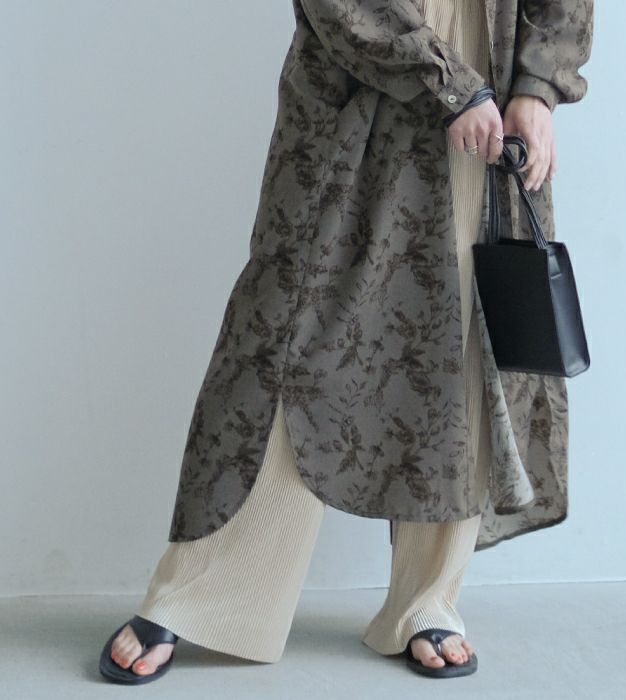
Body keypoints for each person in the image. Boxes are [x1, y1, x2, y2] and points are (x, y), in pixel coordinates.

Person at [98, 0, 593, 684]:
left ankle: (428, 601)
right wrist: (450, 83)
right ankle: (200, 597)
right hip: (357, 90)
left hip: (491, 75)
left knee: (462, 338)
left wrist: (537, 88)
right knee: (288, 340)